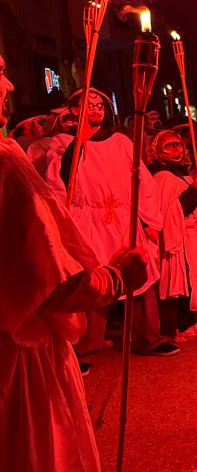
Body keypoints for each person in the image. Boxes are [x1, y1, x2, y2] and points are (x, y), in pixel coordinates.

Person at [0, 52, 151, 471]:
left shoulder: (120, 143)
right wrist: (116, 278)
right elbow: (47, 284)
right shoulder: (8, 160)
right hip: (16, 363)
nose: (10, 86)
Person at [42, 88, 178, 358]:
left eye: (99, 105)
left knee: (138, 276)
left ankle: (148, 337)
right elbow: (58, 182)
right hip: (87, 221)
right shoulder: (59, 143)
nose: (95, 109)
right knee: (94, 280)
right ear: (74, 110)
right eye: (87, 105)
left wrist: (150, 219)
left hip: (123, 218)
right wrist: (77, 144)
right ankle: (86, 343)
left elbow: (141, 181)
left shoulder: (120, 143)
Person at [149, 130, 197, 341]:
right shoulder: (162, 176)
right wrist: (194, 190)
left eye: (178, 145)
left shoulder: (178, 172)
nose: (175, 149)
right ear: (157, 151)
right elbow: (172, 212)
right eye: (169, 146)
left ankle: (188, 321)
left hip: (192, 235)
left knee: (191, 279)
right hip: (180, 237)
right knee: (183, 281)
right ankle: (184, 326)